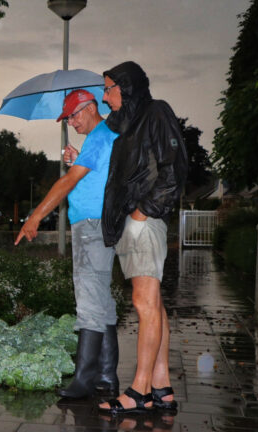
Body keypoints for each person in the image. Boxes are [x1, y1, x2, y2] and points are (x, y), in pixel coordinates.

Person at [15, 88, 119, 399]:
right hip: (101, 224)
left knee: (88, 300)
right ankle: (106, 376)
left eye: (73, 115)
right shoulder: (103, 136)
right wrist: (79, 160)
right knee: (102, 301)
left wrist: (34, 217)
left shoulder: (100, 135)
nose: (70, 122)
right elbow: (96, 176)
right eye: (67, 118)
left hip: (91, 225)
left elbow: (67, 182)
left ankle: (84, 380)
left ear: (90, 108)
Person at [97, 61, 188, 414]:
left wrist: (143, 212)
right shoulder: (127, 126)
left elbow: (174, 168)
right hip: (133, 223)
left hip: (144, 222)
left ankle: (139, 391)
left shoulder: (156, 112)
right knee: (154, 304)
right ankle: (162, 386)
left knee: (144, 304)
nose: (105, 97)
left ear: (126, 86)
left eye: (108, 89)